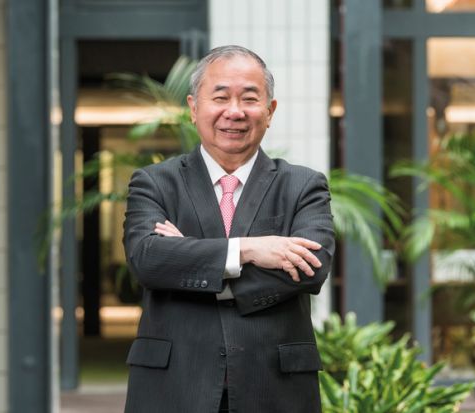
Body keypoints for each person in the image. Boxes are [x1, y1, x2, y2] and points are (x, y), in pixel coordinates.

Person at [123, 45, 335, 413]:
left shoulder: (303, 186)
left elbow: (310, 269)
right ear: (194, 108)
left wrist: (190, 260)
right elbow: (147, 260)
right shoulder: (155, 183)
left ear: (270, 111)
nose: (234, 112)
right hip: (174, 386)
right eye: (220, 97)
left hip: (273, 388)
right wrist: (248, 250)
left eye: (249, 99)